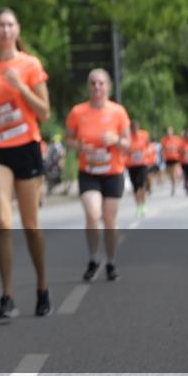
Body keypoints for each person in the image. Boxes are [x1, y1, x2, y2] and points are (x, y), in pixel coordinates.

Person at [0, 7, 51, 321]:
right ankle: (7, 296)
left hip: (28, 147)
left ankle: (42, 287)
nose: (6, 30)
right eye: (0, 25)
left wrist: (21, 87)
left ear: (18, 30)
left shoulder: (31, 64)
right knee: (4, 223)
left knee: (31, 226)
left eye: (11, 24)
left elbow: (45, 113)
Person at [65, 69, 131, 282]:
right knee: (93, 215)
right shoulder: (77, 112)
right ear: (88, 87)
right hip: (89, 172)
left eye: (101, 83)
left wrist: (115, 140)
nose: (97, 87)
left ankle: (111, 262)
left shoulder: (118, 112)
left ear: (108, 87)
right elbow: (69, 140)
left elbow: (128, 144)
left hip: (113, 172)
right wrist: (81, 147)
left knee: (110, 221)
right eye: (93, 83)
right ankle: (94, 258)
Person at [125, 121, 150, 217]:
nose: (135, 130)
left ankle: (143, 205)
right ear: (131, 129)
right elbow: (125, 149)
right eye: (133, 128)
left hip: (142, 164)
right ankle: (138, 206)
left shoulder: (144, 134)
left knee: (141, 184)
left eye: (137, 128)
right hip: (131, 164)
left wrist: (146, 154)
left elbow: (148, 146)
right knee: (135, 187)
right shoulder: (127, 137)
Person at [161, 126, 182, 197]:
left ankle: (173, 186)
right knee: (169, 173)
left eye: (170, 131)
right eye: (167, 131)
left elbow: (180, 148)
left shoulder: (176, 139)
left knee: (173, 172)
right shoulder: (164, 140)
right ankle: (174, 180)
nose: (169, 133)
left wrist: (180, 156)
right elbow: (162, 149)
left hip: (175, 157)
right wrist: (162, 156)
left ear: (172, 131)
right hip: (167, 158)